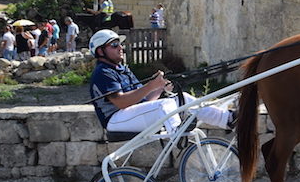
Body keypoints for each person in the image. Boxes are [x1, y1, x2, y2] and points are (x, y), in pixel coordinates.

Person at [88, 29, 234, 136]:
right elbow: (121, 103)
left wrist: (158, 88)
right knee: (165, 104)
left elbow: (144, 101)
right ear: (100, 51)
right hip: (115, 121)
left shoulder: (122, 69)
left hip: (129, 116)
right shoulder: (103, 72)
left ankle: (227, 119)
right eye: (114, 45)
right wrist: (150, 85)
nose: (120, 47)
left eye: (119, 43)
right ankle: (176, 132)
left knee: (180, 97)